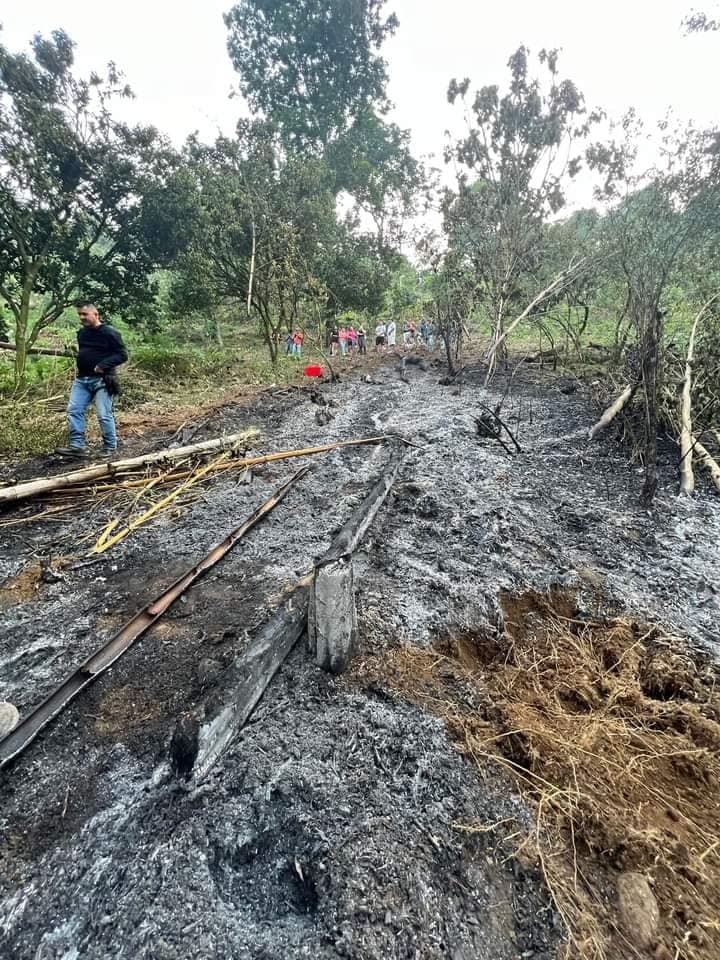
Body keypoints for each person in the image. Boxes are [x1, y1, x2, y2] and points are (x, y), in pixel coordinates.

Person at [56, 302, 128, 458]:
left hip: (102, 380)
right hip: (82, 380)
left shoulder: (110, 333)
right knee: (74, 410)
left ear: (95, 314)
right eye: (80, 314)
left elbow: (122, 355)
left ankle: (110, 447)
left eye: (85, 314)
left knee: (103, 414)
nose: (82, 317)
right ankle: (77, 447)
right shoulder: (82, 333)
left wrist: (103, 365)